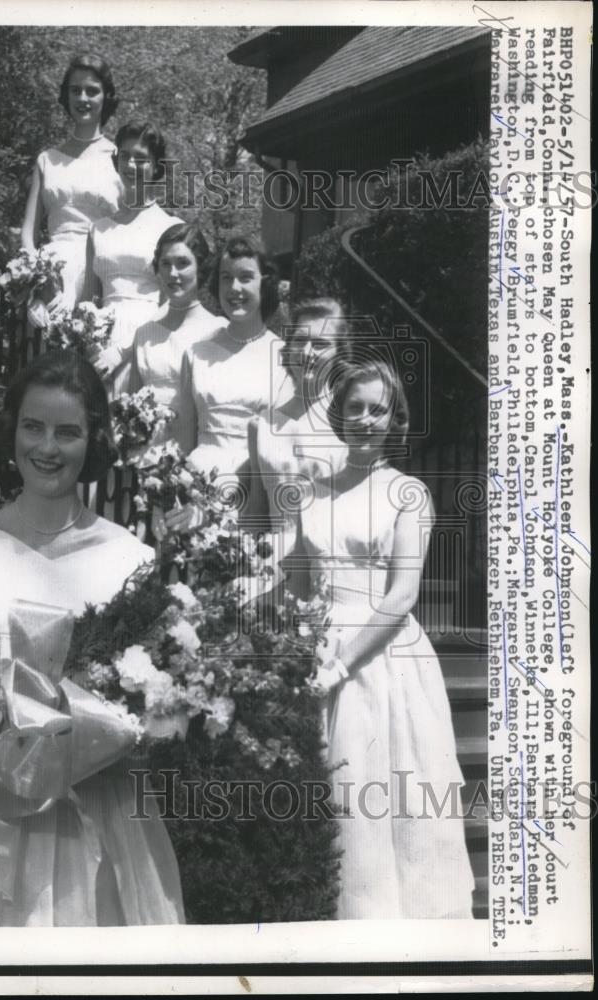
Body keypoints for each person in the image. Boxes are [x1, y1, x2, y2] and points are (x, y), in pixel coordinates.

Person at [0, 354, 185, 927]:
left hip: (93, 810)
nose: (47, 448)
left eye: (67, 432)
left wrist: (113, 736)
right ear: (13, 431)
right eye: (33, 426)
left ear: (92, 441)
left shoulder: (133, 559)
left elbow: (161, 712)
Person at [289, 357, 474, 919]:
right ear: (339, 415)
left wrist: (339, 666)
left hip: (381, 657)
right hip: (321, 644)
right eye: (355, 408)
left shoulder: (407, 493)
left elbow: (401, 597)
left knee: (386, 794)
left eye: (379, 409)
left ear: (395, 420)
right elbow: (300, 582)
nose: (366, 419)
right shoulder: (314, 491)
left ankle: (401, 927)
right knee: (336, 801)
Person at [166, 236, 289, 533]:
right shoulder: (196, 353)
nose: (234, 289)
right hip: (195, 496)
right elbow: (183, 444)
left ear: (266, 283)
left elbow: (281, 451)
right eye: (226, 278)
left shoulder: (284, 357)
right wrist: (180, 500)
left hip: (254, 496)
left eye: (246, 278)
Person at [245, 296, 352, 562]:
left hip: (331, 561)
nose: (307, 352)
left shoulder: (350, 424)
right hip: (272, 563)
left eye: (320, 344)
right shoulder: (262, 426)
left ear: (339, 354)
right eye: (300, 341)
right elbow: (256, 512)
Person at [20, 53, 123, 317]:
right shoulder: (47, 160)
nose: (83, 99)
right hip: (50, 278)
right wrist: (39, 279)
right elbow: (28, 235)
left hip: (100, 276)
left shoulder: (120, 159)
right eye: (75, 91)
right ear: (66, 96)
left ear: (105, 97)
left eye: (92, 91)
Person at [90, 122, 183, 399]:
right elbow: (89, 300)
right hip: (99, 347)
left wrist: (122, 351)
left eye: (141, 159)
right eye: (125, 156)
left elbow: (172, 305)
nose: (131, 165)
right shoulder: (98, 229)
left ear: (156, 166)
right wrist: (91, 345)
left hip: (147, 339)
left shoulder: (171, 228)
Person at [128, 222, 222, 446]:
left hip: (197, 450)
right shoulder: (144, 334)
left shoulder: (218, 330)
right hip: (146, 452)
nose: (173, 273)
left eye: (183, 263)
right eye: (165, 264)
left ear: (200, 267)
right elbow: (131, 404)